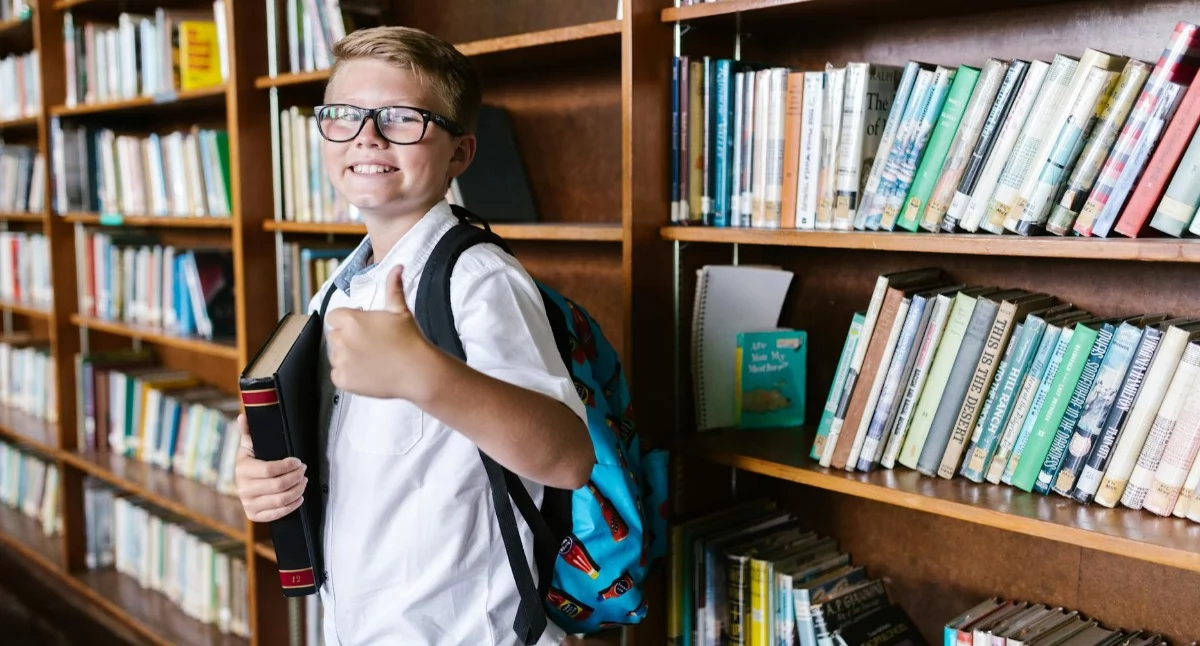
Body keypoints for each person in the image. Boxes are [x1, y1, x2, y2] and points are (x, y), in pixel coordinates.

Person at [231, 25, 597, 645]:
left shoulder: (478, 280)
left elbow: (567, 458)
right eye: (344, 115)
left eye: (402, 118)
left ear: (460, 153)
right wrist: (256, 471)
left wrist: (423, 374)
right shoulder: (340, 287)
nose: (367, 136)